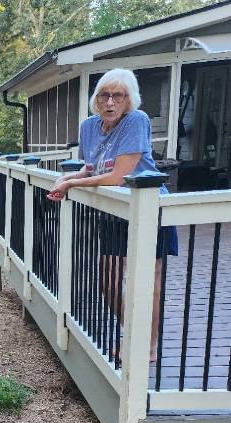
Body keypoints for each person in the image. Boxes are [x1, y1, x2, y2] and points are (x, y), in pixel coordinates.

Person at [47, 68, 178, 361]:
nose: (109, 102)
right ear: (96, 99)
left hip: (147, 208)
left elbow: (119, 176)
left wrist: (71, 183)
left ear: (129, 99)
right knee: (108, 279)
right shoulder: (89, 127)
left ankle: (148, 346)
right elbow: (91, 168)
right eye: (104, 95)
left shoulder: (136, 121)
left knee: (148, 280)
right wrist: (62, 180)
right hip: (115, 212)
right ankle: (132, 331)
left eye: (117, 96)